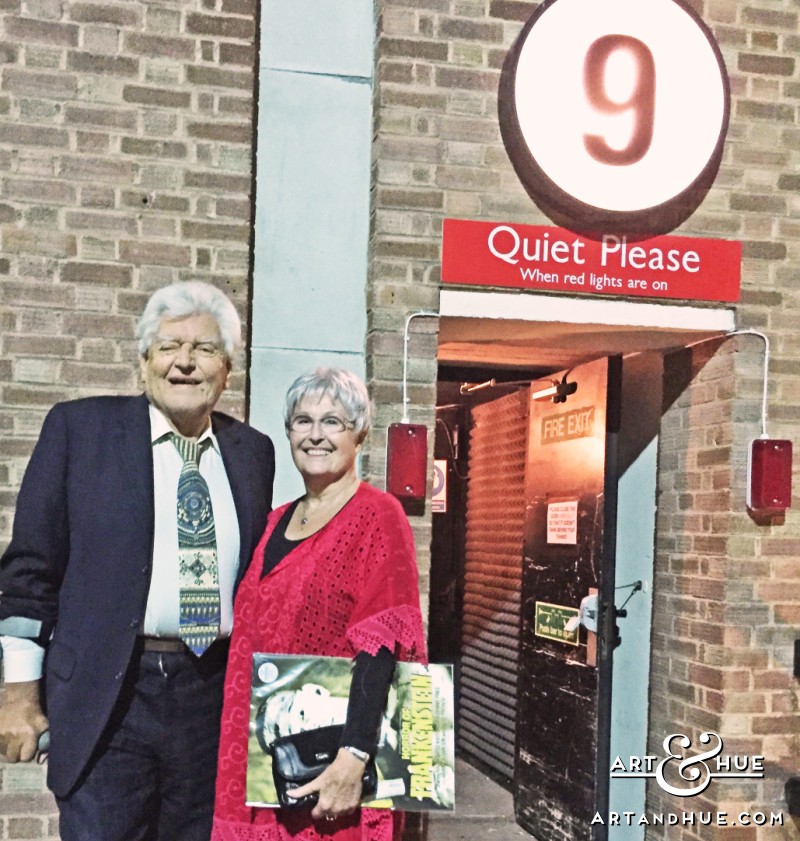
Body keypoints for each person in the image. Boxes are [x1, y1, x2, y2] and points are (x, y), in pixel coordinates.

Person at [0, 280, 276, 841]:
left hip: (211, 695)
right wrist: (18, 696)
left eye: (203, 349)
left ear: (228, 370)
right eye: (169, 346)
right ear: (144, 361)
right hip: (110, 694)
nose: (184, 363)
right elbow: (28, 573)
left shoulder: (254, 453)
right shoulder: (80, 431)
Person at [212, 367, 427, 841]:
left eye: (333, 422)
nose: (315, 435)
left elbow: (382, 643)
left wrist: (354, 756)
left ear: (360, 433)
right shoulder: (273, 522)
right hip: (260, 757)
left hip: (329, 759)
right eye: (301, 421)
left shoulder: (377, 515)